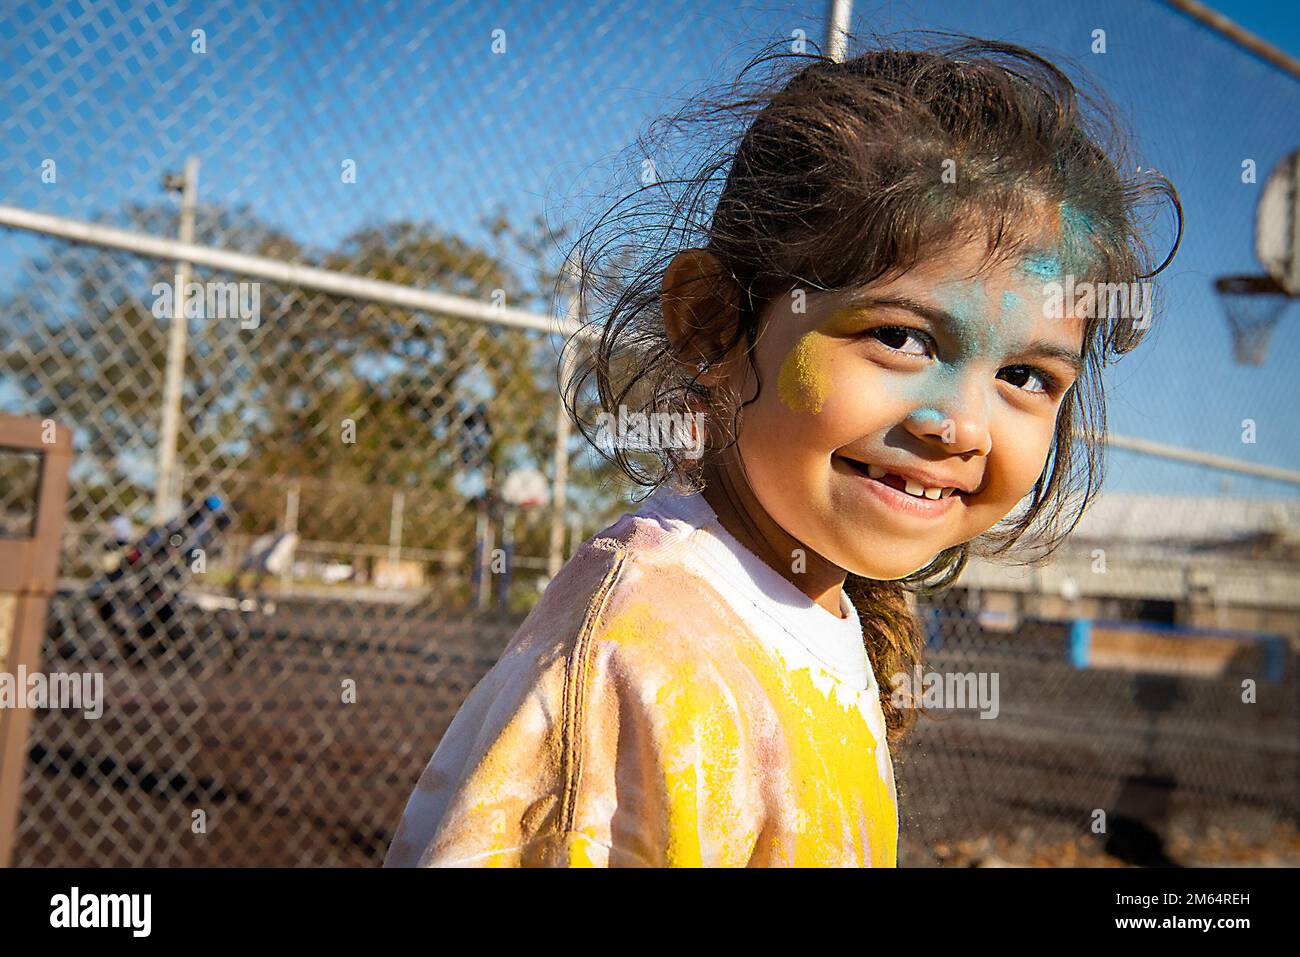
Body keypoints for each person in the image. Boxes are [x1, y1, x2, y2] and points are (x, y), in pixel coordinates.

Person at [383, 34, 1180, 867]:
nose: (964, 426)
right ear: (713, 324)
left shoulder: (830, 609)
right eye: (901, 337)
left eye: (1024, 374)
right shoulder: (646, 651)